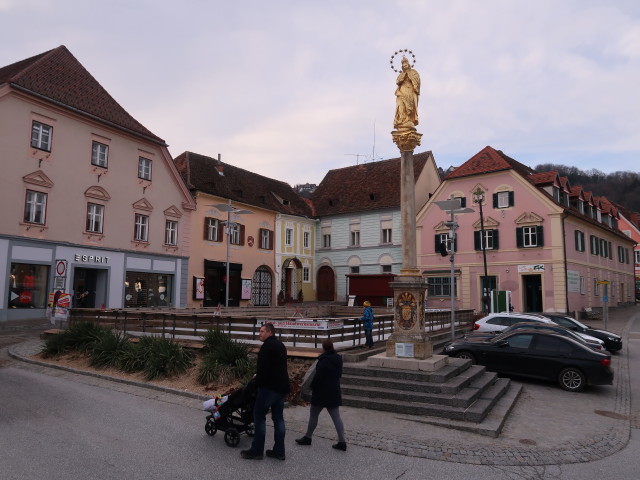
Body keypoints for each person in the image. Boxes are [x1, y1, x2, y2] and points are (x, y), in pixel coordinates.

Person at [241, 322, 290, 461]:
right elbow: (278, 366)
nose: (259, 334)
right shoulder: (281, 345)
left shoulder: (266, 348)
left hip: (269, 388)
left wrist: (256, 383)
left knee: (259, 416)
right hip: (281, 388)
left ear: (269, 332)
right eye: (260, 331)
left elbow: (263, 371)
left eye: (262, 331)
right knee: (278, 418)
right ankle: (279, 451)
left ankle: (256, 451)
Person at [295, 339, 347, 451]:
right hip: (334, 390)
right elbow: (339, 374)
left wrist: (312, 386)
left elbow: (318, 376)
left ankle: (308, 437)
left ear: (323, 348)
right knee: (336, 417)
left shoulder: (323, 360)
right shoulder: (338, 359)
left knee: (314, 414)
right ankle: (342, 441)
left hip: (321, 392)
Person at [393, 56, 421, 131]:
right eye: (403, 65)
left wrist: (413, 81)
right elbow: (397, 82)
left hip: (410, 91)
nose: (405, 66)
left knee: (409, 105)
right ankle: (401, 119)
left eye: (406, 64)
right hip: (401, 91)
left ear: (409, 64)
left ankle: (408, 119)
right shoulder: (401, 74)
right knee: (400, 105)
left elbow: (416, 81)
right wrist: (402, 79)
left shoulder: (413, 72)